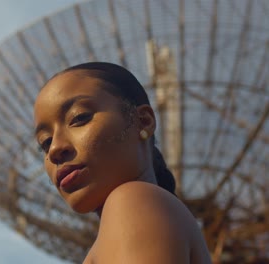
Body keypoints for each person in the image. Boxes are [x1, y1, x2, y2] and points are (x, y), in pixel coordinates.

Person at [33, 62, 212, 263]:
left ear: (143, 121)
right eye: (45, 143)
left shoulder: (131, 200)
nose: (55, 149)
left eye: (79, 117)